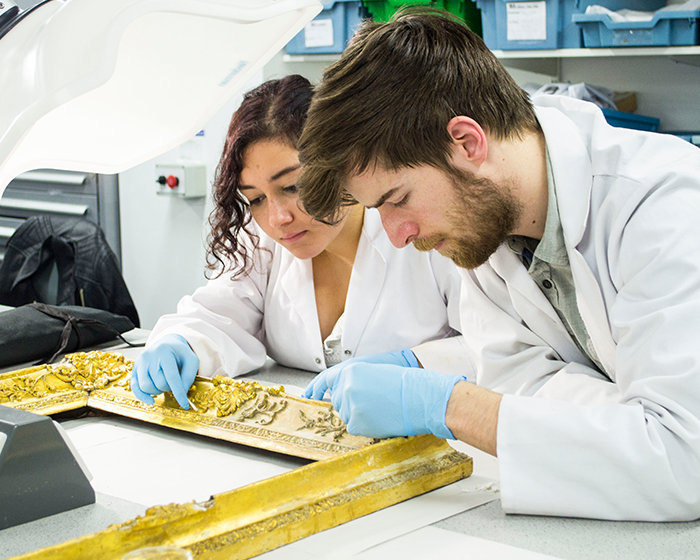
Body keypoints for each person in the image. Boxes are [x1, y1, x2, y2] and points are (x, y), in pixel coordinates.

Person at [296, 8, 700, 522]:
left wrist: (451, 406)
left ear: (467, 142)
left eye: (396, 198)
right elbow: (520, 388)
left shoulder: (665, 206)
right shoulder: (487, 234)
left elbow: (682, 463)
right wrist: (625, 421)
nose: (397, 236)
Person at [130, 74, 467, 413]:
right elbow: (218, 317)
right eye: (256, 198)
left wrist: (413, 365)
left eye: (293, 187)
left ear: (339, 162)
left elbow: (499, 345)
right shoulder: (259, 239)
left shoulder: (420, 230)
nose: (277, 218)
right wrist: (183, 343)